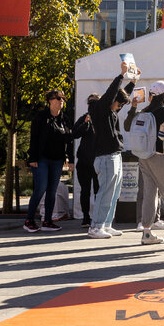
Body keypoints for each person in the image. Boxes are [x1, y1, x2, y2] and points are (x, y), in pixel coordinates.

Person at [126, 80, 164, 246]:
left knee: (150, 195)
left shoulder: (145, 111)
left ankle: (146, 232)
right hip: (160, 156)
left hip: (144, 156)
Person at [88, 61, 137, 239]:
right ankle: (96, 226)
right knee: (105, 192)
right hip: (105, 157)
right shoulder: (98, 110)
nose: (120, 107)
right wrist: (122, 75)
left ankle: (106, 224)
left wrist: (133, 82)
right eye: (119, 104)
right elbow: (111, 93)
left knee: (114, 192)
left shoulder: (110, 111)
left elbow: (120, 96)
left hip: (115, 155)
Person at [24, 89, 72, 233]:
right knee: (41, 188)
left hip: (57, 159)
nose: (61, 101)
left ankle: (48, 221)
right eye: (57, 98)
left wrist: (70, 159)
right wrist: (32, 158)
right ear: (50, 101)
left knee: (52, 191)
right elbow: (34, 138)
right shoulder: (41, 117)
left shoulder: (65, 119)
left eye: (62, 98)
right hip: (41, 158)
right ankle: (29, 220)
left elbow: (69, 140)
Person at [72, 94, 100, 227]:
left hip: (98, 160)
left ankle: (98, 217)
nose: (92, 105)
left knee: (98, 190)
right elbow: (75, 134)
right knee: (85, 190)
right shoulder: (84, 118)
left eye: (95, 103)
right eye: (90, 103)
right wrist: (85, 123)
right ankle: (85, 217)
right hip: (84, 161)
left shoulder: (103, 118)